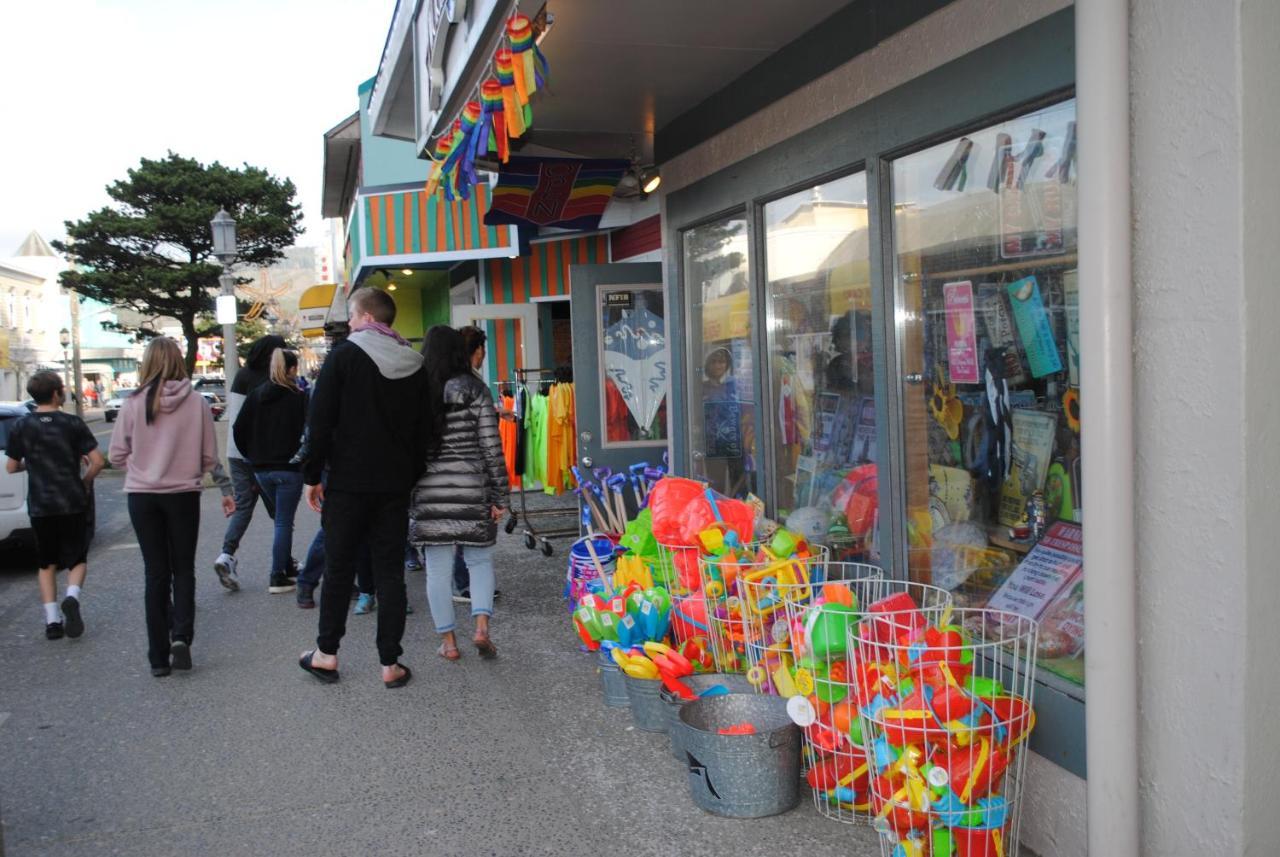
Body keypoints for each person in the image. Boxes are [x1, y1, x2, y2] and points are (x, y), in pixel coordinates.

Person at [299, 287, 427, 689]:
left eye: (353, 317)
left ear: (368, 318)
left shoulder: (345, 356)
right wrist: (410, 476)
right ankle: (390, 663)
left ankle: (326, 655)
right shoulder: (414, 363)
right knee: (390, 571)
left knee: (339, 568)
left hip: (348, 484)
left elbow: (319, 421)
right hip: (393, 486)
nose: (349, 325)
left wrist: (311, 475)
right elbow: (425, 430)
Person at [108, 338, 235, 677]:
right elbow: (209, 457)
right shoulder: (195, 403)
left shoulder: (133, 403)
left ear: (147, 363)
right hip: (182, 495)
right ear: (180, 360)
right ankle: (182, 636)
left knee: (155, 573)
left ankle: (158, 658)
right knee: (183, 569)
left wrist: (144, 463)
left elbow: (116, 455)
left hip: (142, 496)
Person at [410, 325, 509, 661]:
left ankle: (449, 643)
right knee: (479, 560)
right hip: (472, 489)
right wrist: (500, 496)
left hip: (429, 492)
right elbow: (491, 447)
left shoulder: (417, 390)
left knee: (437, 569)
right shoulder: (475, 389)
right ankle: (481, 627)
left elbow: (406, 449)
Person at [5, 372, 105, 639]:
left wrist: (33, 463)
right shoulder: (72, 423)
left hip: (41, 504)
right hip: (72, 500)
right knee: (77, 558)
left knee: (46, 563)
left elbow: (11, 466)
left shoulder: (21, 426)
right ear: (56, 394)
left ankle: (52, 620)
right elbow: (97, 461)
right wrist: (84, 481)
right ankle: (72, 596)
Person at [214, 334, 288, 591]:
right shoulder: (273, 378)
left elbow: (235, 416)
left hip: (236, 452)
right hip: (261, 455)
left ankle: (226, 555)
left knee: (244, 506)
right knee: (280, 514)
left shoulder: (242, 376)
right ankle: (284, 564)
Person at [232, 348, 308, 594]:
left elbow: (238, 429)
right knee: (284, 522)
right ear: (292, 369)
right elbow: (310, 432)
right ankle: (277, 575)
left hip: (261, 468)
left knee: (280, 520)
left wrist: (251, 456)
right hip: (289, 467)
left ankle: (285, 566)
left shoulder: (255, 396)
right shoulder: (298, 397)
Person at [452, 325, 505, 604]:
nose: (484, 354)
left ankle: (467, 584)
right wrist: (499, 491)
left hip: (449, 473)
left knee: (460, 533)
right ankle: (468, 586)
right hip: (470, 470)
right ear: (475, 351)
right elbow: (486, 441)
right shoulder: (473, 385)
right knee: (471, 535)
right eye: (483, 349)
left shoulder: (446, 381)